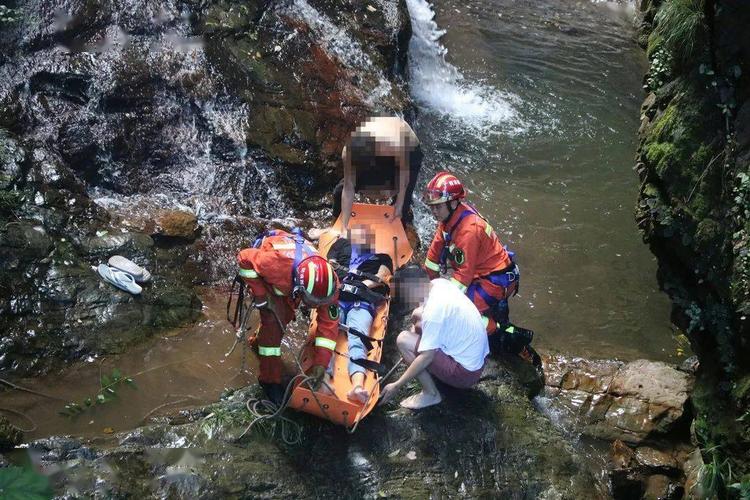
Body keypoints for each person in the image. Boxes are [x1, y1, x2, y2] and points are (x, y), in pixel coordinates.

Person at [421, 171, 537, 362]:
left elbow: (462, 278)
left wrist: (440, 304)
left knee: (460, 314)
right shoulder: (448, 220)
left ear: (453, 202)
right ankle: (499, 329)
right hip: (482, 275)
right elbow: (432, 259)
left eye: (437, 207)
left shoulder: (468, 230)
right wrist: (431, 285)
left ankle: (504, 333)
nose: (433, 211)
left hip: (494, 282)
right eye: (432, 207)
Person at [237, 229, 339, 405]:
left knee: (285, 316)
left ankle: (256, 342)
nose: (316, 307)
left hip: (290, 278)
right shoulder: (275, 265)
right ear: (299, 290)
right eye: (312, 302)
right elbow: (243, 258)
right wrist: (261, 295)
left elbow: (329, 326)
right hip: (274, 274)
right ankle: (269, 381)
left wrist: (321, 363)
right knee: (273, 330)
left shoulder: (330, 285)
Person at [379, 266, 489, 409]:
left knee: (403, 340)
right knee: (417, 314)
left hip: (465, 373)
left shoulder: (434, 313)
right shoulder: (439, 284)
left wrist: (397, 385)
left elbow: (427, 356)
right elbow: (420, 313)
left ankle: (431, 394)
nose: (407, 301)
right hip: (477, 359)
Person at [324, 224, 393, 403]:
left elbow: (382, 278)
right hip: (336, 298)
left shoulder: (382, 258)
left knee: (358, 339)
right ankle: (324, 379)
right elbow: (329, 266)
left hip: (360, 302)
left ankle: (357, 386)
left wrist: (358, 285)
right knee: (327, 337)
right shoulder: (342, 247)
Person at [333, 116, 422, 228]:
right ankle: (336, 226)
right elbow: (348, 188)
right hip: (382, 146)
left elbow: (404, 174)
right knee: (339, 191)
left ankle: (403, 228)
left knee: (401, 205)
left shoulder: (387, 144)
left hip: (409, 149)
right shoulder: (348, 152)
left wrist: (399, 204)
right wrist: (343, 227)